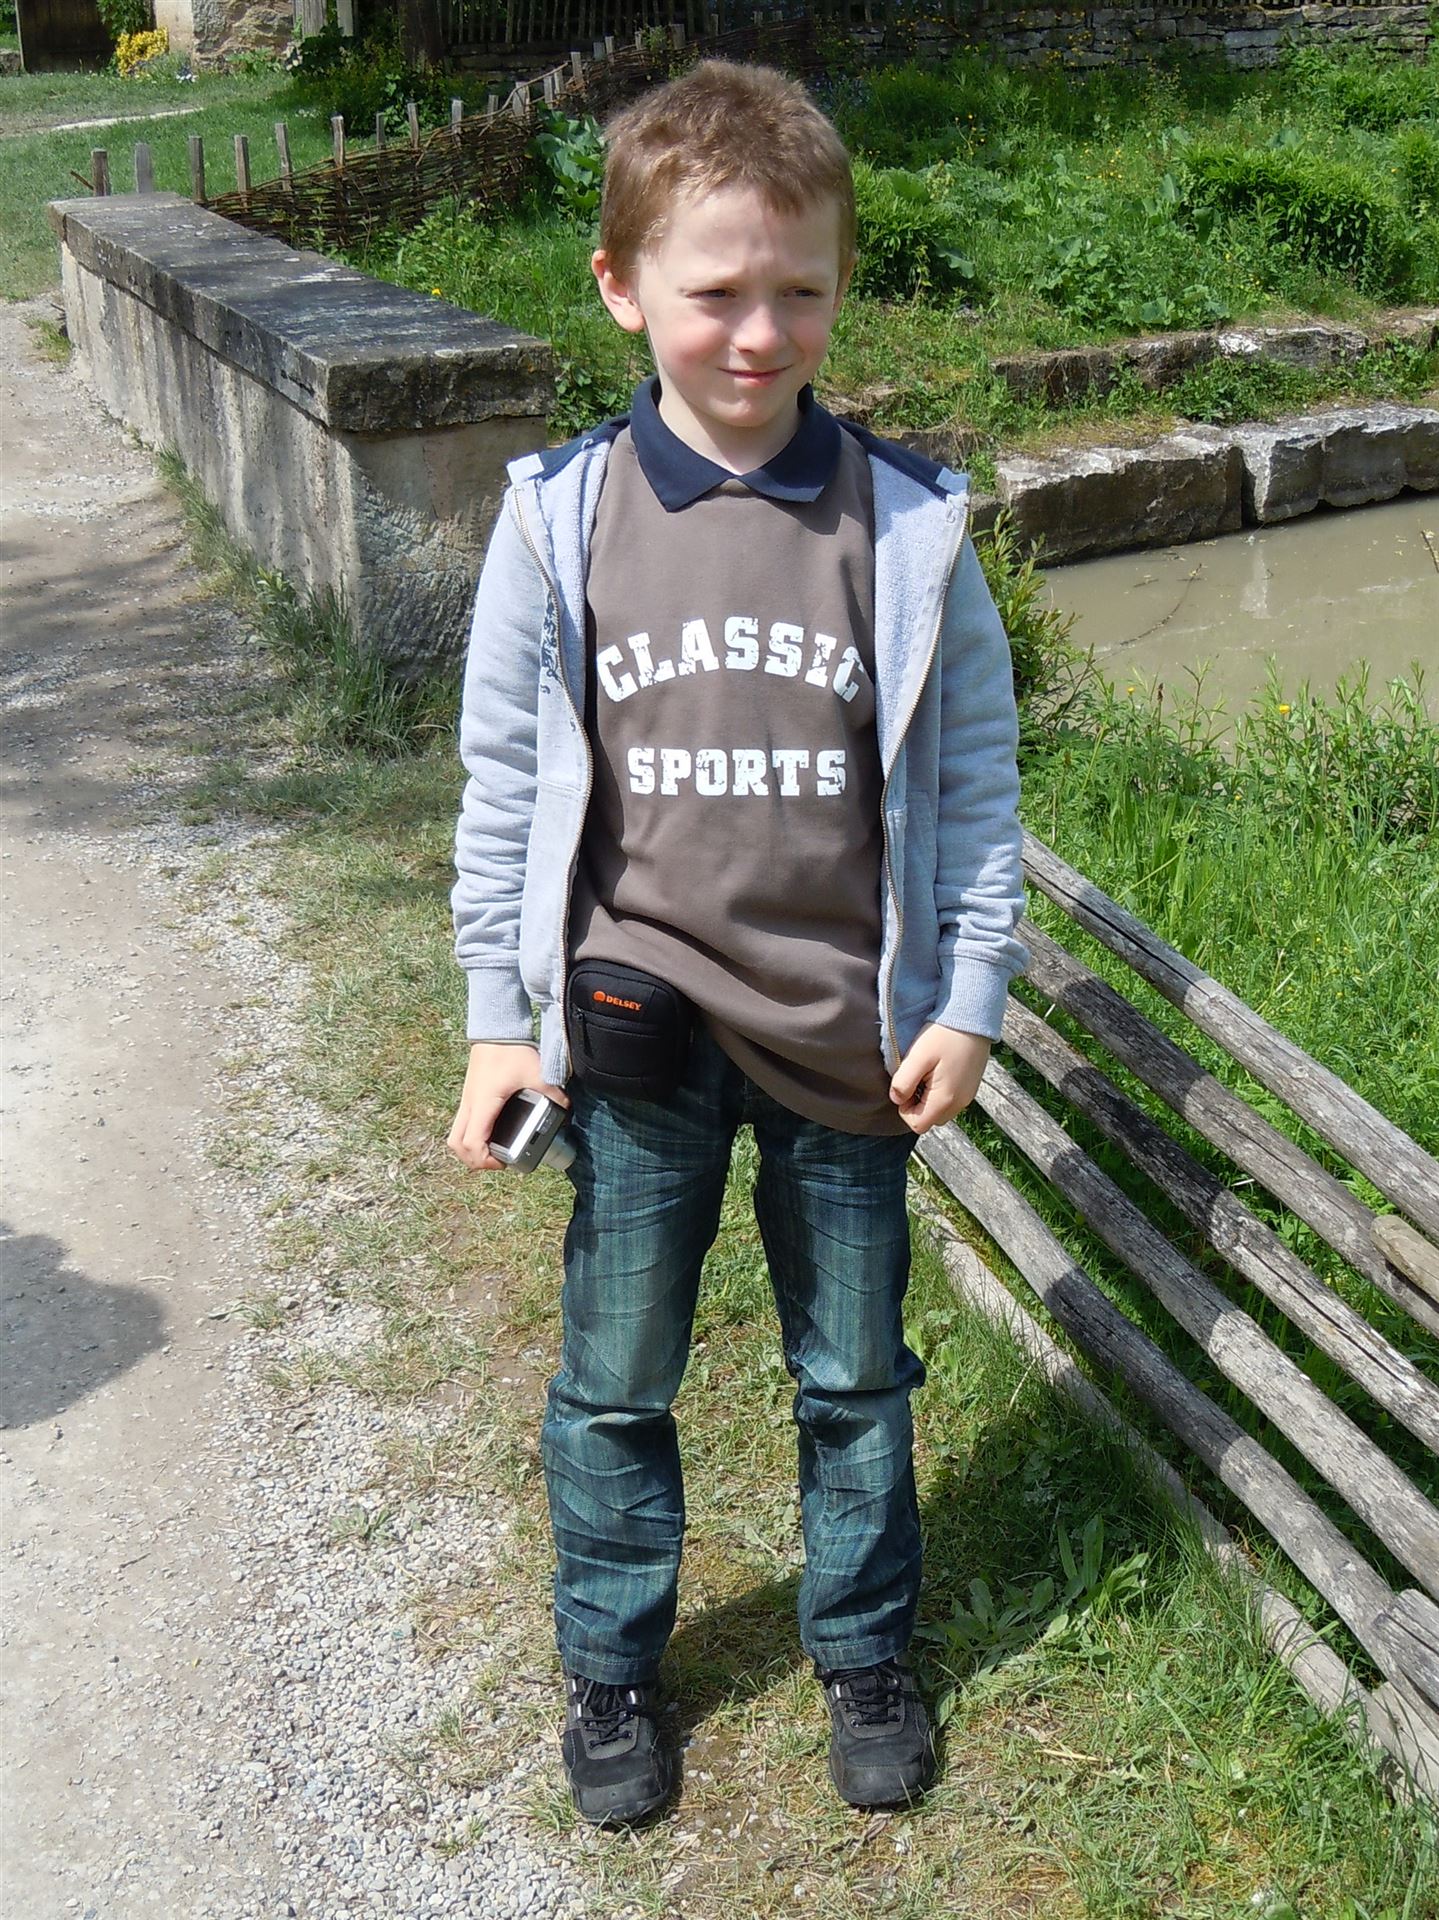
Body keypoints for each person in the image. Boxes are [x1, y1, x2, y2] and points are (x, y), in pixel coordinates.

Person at [446, 57, 1026, 1827]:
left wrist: (972, 994)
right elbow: (503, 786)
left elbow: (978, 783)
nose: (761, 333)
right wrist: (498, 1018)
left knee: (855, 1372)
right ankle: (613, 1665)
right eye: (715, 292)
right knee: (617, 1374)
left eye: (801, 290)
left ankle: (864, 1647)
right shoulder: (561, 519)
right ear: (621, 287)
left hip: (848, 1031)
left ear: (841, 286)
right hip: (637, 1019)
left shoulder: (907, 528)